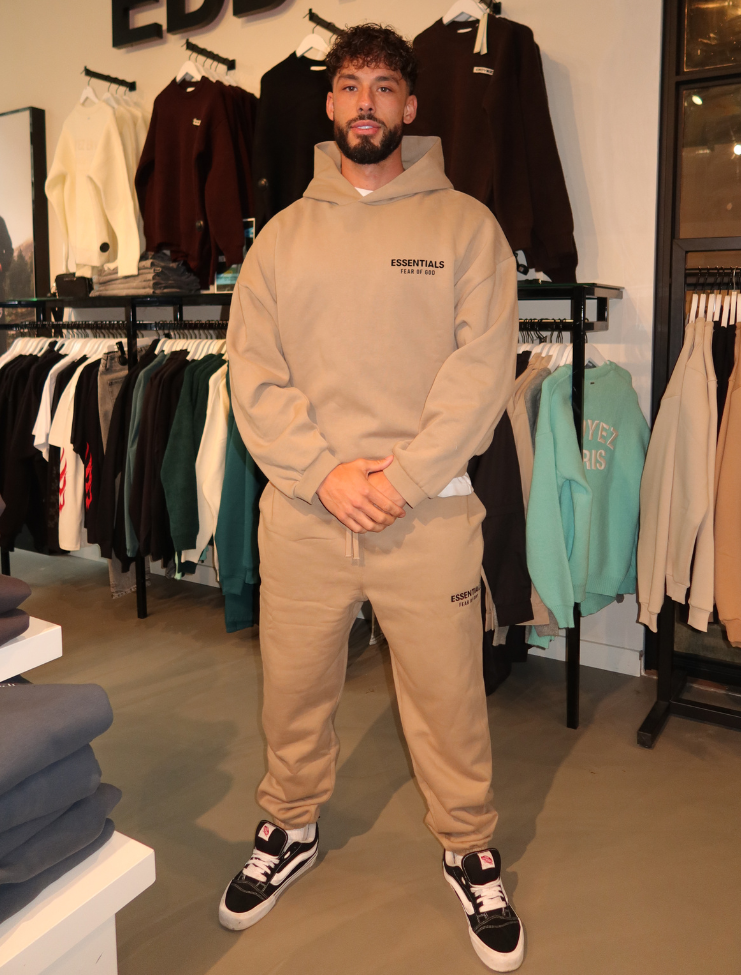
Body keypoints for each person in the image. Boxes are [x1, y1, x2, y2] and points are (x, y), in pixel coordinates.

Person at [222, 23, 524, 972]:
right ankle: (289, 825)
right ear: (329, 103)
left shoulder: (465, 226)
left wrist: (397, 478)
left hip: (425, 514)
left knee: (448, 699)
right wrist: (324, 474)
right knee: (293, 689)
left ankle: (469, 844)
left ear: (411, 106)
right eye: (351, 85)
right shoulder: (282, 237)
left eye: (384, 86)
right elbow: (252, 373)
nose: (366, 103)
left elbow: (481, 373)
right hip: (307, 513)